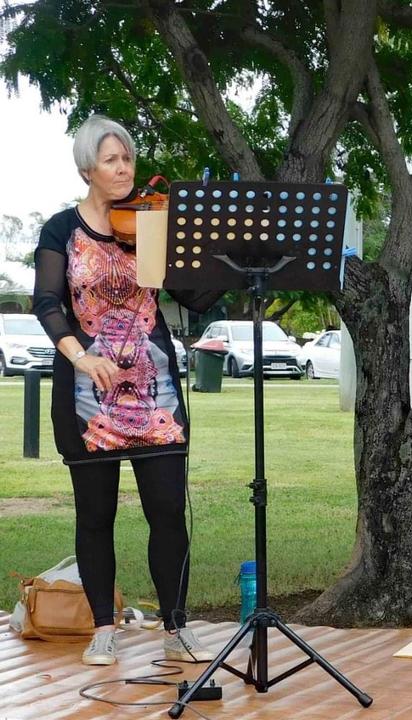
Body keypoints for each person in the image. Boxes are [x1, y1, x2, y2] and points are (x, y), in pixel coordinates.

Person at [32, 115, 223, 666]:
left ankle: (176, 626)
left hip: (154, 386)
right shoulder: (59, 230)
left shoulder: (151, 223)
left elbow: (197, 297)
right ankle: (102, 627)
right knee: (95, 515)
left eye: (129, 159)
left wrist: (220, 247)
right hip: (86, 390)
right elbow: (46, 303)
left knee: (166, 508)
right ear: (87, 167)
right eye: (112, 160)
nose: (124, 169)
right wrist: (80, 355)